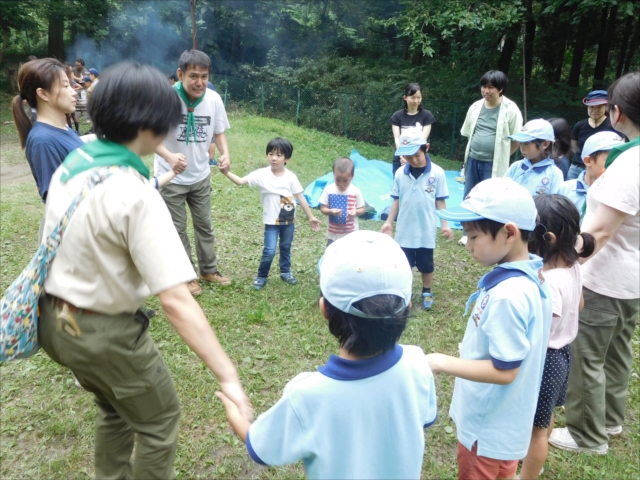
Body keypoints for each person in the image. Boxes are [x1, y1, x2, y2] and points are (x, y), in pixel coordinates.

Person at [37, 61, 252, 479]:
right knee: (158, 420)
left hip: (54, 322)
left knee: (115, 408)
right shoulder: (135, 194)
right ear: (152, 127)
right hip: (102, 334)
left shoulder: (76, 161)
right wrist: (228, 375)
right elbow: (175, 299)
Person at [215, 230, 438, 479]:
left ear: (324, 310)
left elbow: (261, 447)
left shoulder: (306, 395)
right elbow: (423, 419)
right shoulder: (417, 362)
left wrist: (234, 413)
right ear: (407, 308)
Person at [430, 177, 552, 480]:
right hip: (507, 425)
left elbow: (505, 370)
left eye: (473, 236)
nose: (467, 246)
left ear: (509, 232)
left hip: (485, 431)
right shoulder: (533, 277)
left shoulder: (508, 296)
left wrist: (439, 361)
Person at [549, 71, 640, 456]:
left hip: (605, 278)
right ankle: (610, 418)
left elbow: (599, 234)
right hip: (633, 280)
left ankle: (587, 435)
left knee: (587, 353)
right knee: (618, 348)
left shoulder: (629, 165)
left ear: (616, 113)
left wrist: (561, 261)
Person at [519, 195, 595, 480]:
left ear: (545, 239)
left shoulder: (549, 282)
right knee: (545, 417)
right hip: (564, 354)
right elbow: (580, 305)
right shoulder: (573, 266)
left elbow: (540, 328)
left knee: (536, 432)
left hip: (545, 358)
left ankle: (526, 476)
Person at [154, 49, 232, 296]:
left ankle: (208, 270)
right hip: (170, 176)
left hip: (200, 176)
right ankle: (186, 275)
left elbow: (219, 131)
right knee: (177, 229)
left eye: (204, 76)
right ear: (180, 74)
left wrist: (225, 153)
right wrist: (169, 157)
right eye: (194, 76)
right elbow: (148, 136)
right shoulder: (164, 98)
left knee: (205, 225)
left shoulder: (213, 99)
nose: (200, 82)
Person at [219, 138, 320, 290]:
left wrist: (311, 217)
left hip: (288, 221)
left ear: (287, 159)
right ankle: (261, 276)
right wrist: (226, 172)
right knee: (269, 250)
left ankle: (285, 272)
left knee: (286, 247)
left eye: (279, 155)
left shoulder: (290, 177)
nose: (273, 158)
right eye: (271, 154)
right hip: (271, 222)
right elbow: (240, 181)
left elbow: (300, 197)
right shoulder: (261, 174)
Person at [381, 128, 453, 310]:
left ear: (426, 148)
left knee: (426, 265)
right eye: (408, 156)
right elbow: (396, 199)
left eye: (416, 155)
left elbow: (440, 201)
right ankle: (405, 292)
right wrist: (389, 222)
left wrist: (445, 224)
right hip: (405, 229)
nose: (413, 160)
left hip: (426, 231)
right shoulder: (400, 173)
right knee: (404, 264)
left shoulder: (437, 173)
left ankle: (426, 291)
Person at [11, 58, 83, 203]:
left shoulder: (63, 128)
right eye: (66, 85)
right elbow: (56, 202)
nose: (73, 92)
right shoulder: (42, 141)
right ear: (43, 94)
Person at [460, 70, 523, 199]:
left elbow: (516, 140)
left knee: (489, 199)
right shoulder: (475, 107)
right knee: (469, 197)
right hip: (472, 160)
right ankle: (466, 220)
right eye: (484, 87)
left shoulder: (511, 109)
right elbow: (468, 134)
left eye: (491, 87)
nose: (486, 91)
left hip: (493, 164)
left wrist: (501, 155)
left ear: (501, 89)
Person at [557, 131, 625, 221]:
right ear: (588, 161)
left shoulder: (623, 193)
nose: (619, 164)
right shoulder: (565, 189)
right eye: (611, 159)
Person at [504, 118, 564, 196]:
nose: (522, 148)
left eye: (526, 143)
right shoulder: (516, 167)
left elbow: (555, 204)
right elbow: (502, 192)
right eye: (520, 143)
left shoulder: (554, 174)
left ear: (545, 144)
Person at [567, 90, 617, 180]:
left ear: (606, 107)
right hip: (577, 167)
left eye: (599, 107)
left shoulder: (613, 125)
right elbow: (573, 144)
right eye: (591, 107)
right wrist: (581, 156)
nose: (595, 110)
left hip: (602, 169)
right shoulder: (580, 125)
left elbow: (618, 147)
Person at [390, 82, 436, 176]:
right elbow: (397, 139)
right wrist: (403, 156)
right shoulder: (397, 116)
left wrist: (413, 158)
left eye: (419, 97)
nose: (416, 101)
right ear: (405, 98)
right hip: (400, 157)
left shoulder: (427, 116)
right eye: (413, 97)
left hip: (419, 158)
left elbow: (422, 139)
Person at [319, 157, 365, 246]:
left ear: (352, 177)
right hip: (333, 234)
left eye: (345, 181)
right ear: (333, 175)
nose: (341, 184)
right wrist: (331, 211)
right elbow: (323, 208)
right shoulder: (329, 190)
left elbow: (362, 209)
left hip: (351, 234)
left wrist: (355, 212)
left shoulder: (355, 191)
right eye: (337, 180)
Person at [64, 65, 80, 133]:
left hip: (67, 100)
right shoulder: (70, 80)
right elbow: (80, 86)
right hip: (72, 100)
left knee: (68, 117)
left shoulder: (66, 81)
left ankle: (71, 131)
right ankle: (77, 130)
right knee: (73, 115)